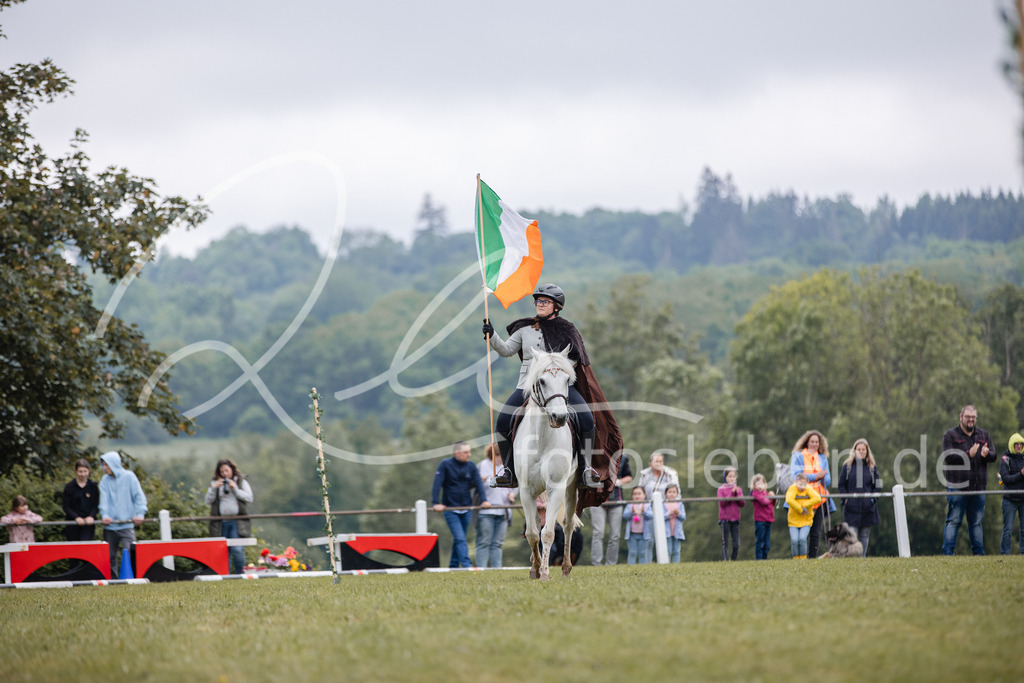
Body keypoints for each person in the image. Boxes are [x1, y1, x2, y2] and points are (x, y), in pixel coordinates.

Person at [482, 283, 619, 491]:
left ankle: (585, 469)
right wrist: (491, 335)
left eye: (545, 302)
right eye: (538, 301)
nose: (540, 304)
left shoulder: (567, 329)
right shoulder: (524, 328)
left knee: (587, 420)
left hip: (559, 388)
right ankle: (508, 472)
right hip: (527, 386)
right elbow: (507, 350)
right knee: (501, 422)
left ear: (557, 306)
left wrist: (554, 368)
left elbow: (576, 359)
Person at [940, 405, 996, 555]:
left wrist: (987, 454)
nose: (971, 420)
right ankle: (947, 554)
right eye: (968, 417)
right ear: (961, 417)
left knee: (976, 524)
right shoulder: (950, 435)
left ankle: (979, 554)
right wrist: (967, 454)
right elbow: (947, 457)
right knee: (953, 521)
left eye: (973, 417)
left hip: (978, 488)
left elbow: (994, 455)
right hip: (957, 488)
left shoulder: (984, 435)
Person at [432, 441, 491, 568]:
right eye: (465, 452)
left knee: (460, 539)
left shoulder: (471, 466)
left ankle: (453, 565)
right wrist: (436, 503)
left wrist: (484, 500)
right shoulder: (445, 465)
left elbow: (479, 484)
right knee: (460, 538)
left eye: (469, 452)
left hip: (466, 508)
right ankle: (466, 565)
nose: (468, 455)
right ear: (456, 453)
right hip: (450, 509)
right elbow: (437, 484)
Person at [98, 451, 148, 573]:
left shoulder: (129, 477)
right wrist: (105, 515)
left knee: (130, 553)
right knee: (110, 557)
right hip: (110, 526)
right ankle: (112, 581)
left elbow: (139, 497)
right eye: (103, 465)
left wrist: (140, 514)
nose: (104, 468)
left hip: (127, 524)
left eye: (107, 464)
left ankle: (132, 578)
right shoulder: (104, 480)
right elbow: (103, 500)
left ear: (114, 464)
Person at [789, 430, 835, 558]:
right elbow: (795, 476)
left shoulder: (822, 458)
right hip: (801, 500)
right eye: (812, 441)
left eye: (816, 442)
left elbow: (828, 480)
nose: (814, 444)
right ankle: (799, 557)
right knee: (800, 532)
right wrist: (816, 476)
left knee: (816, 531)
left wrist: (823, 477)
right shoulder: (798, 456)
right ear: (807, 442)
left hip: (819, 499)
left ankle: (812, 557)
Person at [205, 458, 254, 574]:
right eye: (222, 472)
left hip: (237, 522)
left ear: (232, 469)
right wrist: (213, 488)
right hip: (221, 523)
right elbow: (208, 501)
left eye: (226, 471)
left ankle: (240, 574)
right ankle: (224, 575)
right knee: (222, 552)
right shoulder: (215, 484)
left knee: (237, 549)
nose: (224, 474)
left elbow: (249, 498)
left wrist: (235, 489)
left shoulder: (241, 482)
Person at [838, 438, 881, 557]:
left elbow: (877, 486)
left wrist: (872, 500)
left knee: (865, 536)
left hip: (868, 509)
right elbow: (841, 485)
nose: (861, 451)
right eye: (859, 449)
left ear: (867, 451)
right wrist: (845, 500)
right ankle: (853, 559)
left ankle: (862, 559)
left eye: (863, 449)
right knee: (852, 536)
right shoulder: (847, 466)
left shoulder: (872, 467)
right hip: (851, 508)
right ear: (854, 450)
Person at [590, 453, 633, 566]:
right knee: (598, 532)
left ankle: (611, 563)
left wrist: (618, 482)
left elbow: (629, 477)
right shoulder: (594, 457)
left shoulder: (623, 458)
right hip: (597, 500)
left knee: (615, 535)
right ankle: (596, 563)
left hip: (616, 500)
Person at [476, 444, 515, 568]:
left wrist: (512, 494)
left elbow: (515, 484)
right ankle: (481, 567)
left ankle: (496, 567)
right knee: (484, 541)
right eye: (499, 456)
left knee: (497, 543)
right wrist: (486, 480)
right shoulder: (482, 465)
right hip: (487, 511)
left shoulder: (507, 467)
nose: (501, 459)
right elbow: (478, 486)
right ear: (493, 455)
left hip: (503, 510)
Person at [637, 451, 680, 560]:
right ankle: (647, 563)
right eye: (656, 461)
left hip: (666, 509)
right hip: (649, 509)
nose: (658, 463)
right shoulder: (645, 475)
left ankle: (666, 561)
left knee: (667, 537)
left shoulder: (670, 474)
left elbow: (677, 492)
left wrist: (676, 507)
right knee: (649, 539)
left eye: (660, 461)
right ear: (650, 463)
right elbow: (640, 490)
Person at [998, 432, 1024, 555]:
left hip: (1023, 499)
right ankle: (1005, 554)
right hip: (1009, 500)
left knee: (1023, 529)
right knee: (1007, 529)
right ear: (1011, 445)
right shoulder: (1005, 459)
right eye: (1016, 444)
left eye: (1021, 444)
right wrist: (1021, 474)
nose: (1019, 446)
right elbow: (1006, 479)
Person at [62, 458, 100, 541]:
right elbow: (66, 506)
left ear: (89, 471)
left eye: (85, 471)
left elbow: (96, 505)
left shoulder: (93, 486)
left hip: (88, 524)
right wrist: (76, 517)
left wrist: (91, 516)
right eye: (80, 471)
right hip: (73, 523)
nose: (83, 474)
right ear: (75, 471)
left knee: (85, 547)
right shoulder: (69, 487)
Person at [786, 473, 821, 559]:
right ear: (796, 482)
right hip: (793, 521)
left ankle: (803, 558)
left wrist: (805, 504)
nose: (802, 487)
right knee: (794, 540)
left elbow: (817, 498)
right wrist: (800, 509)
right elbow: (789, 499)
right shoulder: (792, 488)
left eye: (804, 484)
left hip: (806, 520)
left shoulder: (808, 489)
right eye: (800, 484)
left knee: (802, 539)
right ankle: (796, 558)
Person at [717, 467, 745, 561]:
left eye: (734, 476)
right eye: (730, 476)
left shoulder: (738, 489)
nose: (732, 478)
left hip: (735, 519)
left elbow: (742, 504)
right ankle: (726, 561)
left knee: (736, 544)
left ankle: (733, 560)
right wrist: (732, 494)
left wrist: (737, 494)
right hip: (725, 519)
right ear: (725, 477)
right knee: (725, 542)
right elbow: (722, 503)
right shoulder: (721, 489)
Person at [622, 486, 653, 565]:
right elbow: (625, 516)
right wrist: (632, 512)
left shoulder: (647, 506)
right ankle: (630, 568)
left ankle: (643, 569)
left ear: (644, 495)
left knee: (643, 553)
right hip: (632, 534)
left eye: (639, 494)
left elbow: (650, 516)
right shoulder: (630, 506)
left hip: (644, 535)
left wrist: (644, 511)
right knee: (632, 552)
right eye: (635, 494)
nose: (637, 496)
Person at [750, 473, 774, 560]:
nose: (760, 486)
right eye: (758, 484)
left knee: (767, 543)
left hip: (768, 520)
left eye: (762, 484)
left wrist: (773, 497)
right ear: (754, 485)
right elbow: (764, 502)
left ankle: (764, 559)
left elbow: (772, 504)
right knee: (760, 542)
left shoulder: (766, 493)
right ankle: (759, 560)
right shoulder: (755, 493)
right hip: (760, 520)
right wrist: (771, 498)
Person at [663, 483, 686, 563]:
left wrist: (678, 513)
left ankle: (676, 565)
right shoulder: (663, 504)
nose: (672, 494)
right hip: (667, 532)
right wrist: (669, 514)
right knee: (668, 551)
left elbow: (683, 517)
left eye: (674, 492)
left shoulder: (679, 504)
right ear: (666, 493)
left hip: (677, 532)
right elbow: (661, 517)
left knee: (676, 551)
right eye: (670, 492)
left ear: (677, 493)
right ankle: (667, 564)